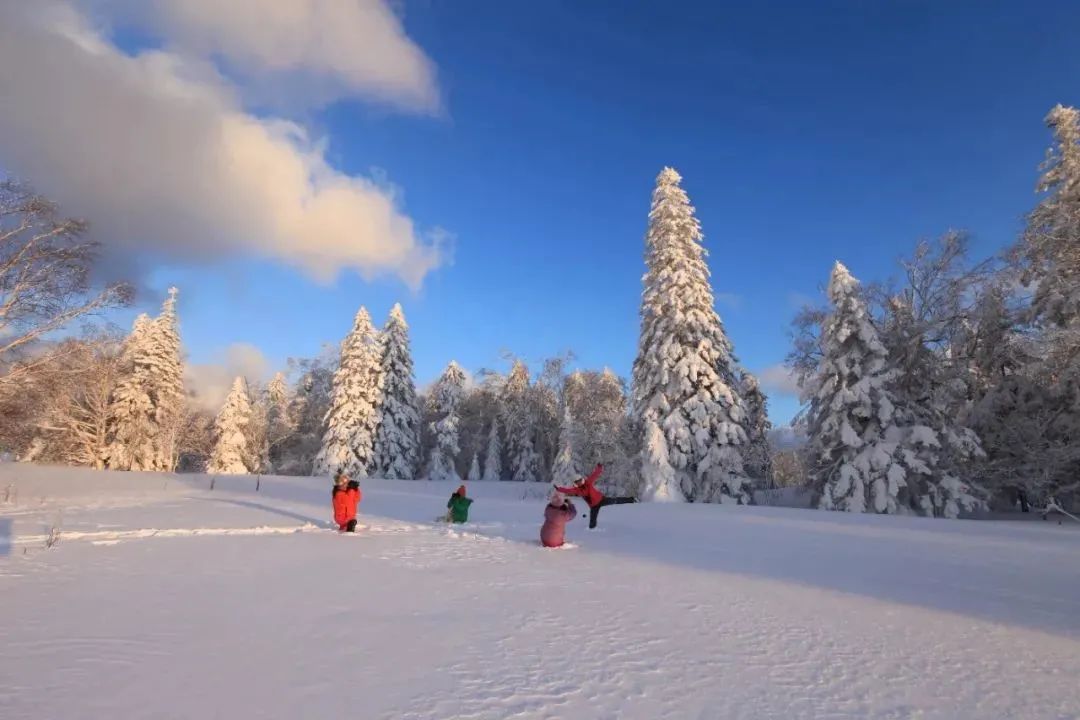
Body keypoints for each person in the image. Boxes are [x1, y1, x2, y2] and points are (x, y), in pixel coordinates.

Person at [555, 463, 636, 529]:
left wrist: (599, 468)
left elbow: (595, 475)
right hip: (594, 506)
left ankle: (631, 500)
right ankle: (592, 531)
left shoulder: (588, 482)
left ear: (582, 480)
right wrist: (559, 489)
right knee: (593, 519)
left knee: (615, 500)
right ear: (575, 483)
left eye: (579, 480)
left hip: (602, 499)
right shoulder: (577, 490)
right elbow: (568, 490)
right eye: (577, 482)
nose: (579, 482)